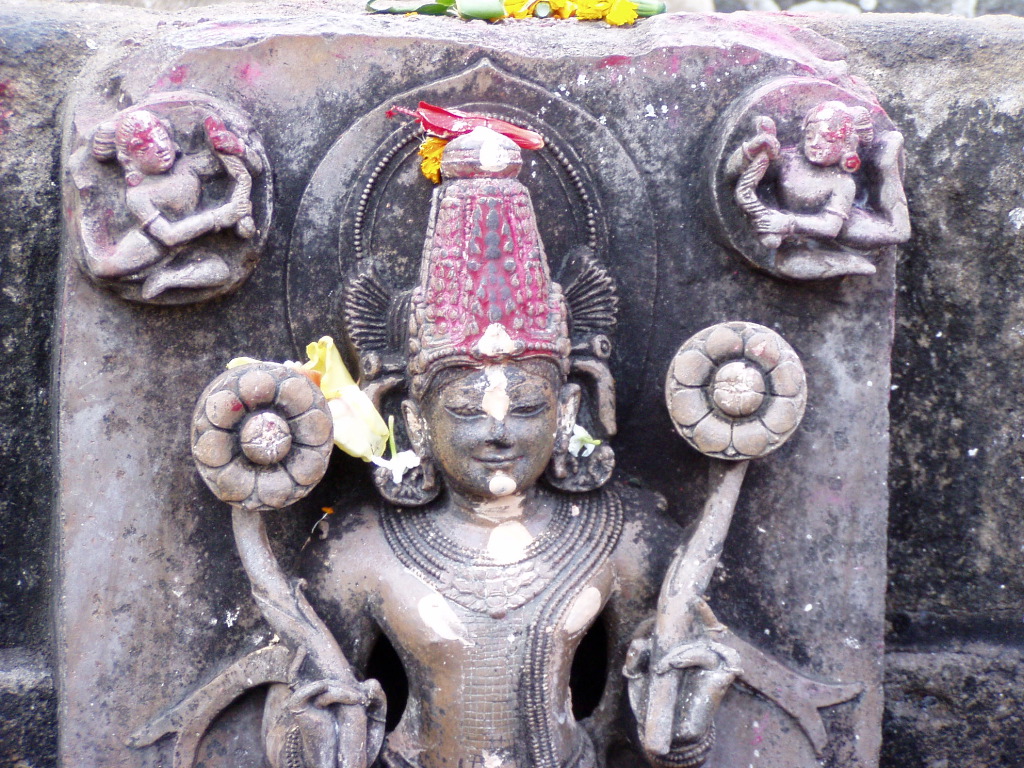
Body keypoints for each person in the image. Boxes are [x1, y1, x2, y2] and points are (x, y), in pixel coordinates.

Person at [260, 128, 738, 768]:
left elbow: (632, 728)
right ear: (417, 421)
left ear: (567, 409)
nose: (498, 431)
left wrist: (680, 731)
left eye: (529, 407)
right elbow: (305, 715)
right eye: (464, 409)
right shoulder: (357, 551)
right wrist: (316, 738)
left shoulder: (622, 538)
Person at [86, 108, 259, 299]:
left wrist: (235, 147)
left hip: (187, 247)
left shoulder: (188, 166)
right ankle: (148, 275)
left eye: (162, 137)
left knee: (221, 272)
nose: (160, 147)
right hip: (151, 247)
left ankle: (168, 278)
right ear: (129, 160)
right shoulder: (138, 195)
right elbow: (169, 236)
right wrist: (219, 217)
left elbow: (235, 163)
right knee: (102, 268)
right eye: (144, 148)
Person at [730, 100, 910, 280]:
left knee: (898, 233)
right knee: (788, 265)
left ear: (848, 145)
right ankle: (845, 261)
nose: (815, 143)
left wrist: (787, 223)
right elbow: (732, 175)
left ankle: (884, 164)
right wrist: (752, 150)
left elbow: (831, 227)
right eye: (810, 136)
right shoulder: (788, 162)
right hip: (801, 236)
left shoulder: (843, 183)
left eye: (828, 138)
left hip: (844, 227)